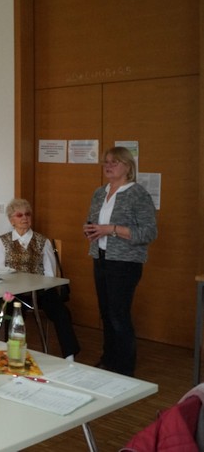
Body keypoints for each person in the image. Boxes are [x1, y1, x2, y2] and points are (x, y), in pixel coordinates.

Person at [83, 147, 157, 376]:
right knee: (105, 313)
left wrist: (111, 229)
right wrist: (90, 229)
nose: (108, 166)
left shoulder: (137, 194)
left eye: (114, 162)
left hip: (125, 263)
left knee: (119, 315)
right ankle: (109, 359)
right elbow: (93, 222)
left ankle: (125, 369)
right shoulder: (99, 193)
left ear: (127, 166)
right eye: (106, 162)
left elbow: (148, 232)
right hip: (101, 257)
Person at [0, 198, 80, 360]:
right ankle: (13, 354)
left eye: (27, 214)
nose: (24, 218)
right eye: (19, 215)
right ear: (11, 220)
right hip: (13, 292)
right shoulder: (2, 241)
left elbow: (50, 274)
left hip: (40, 292)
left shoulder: (43, 241)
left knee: (62, 312)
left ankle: (70, 355)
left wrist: (37, 288)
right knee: (12, 313)